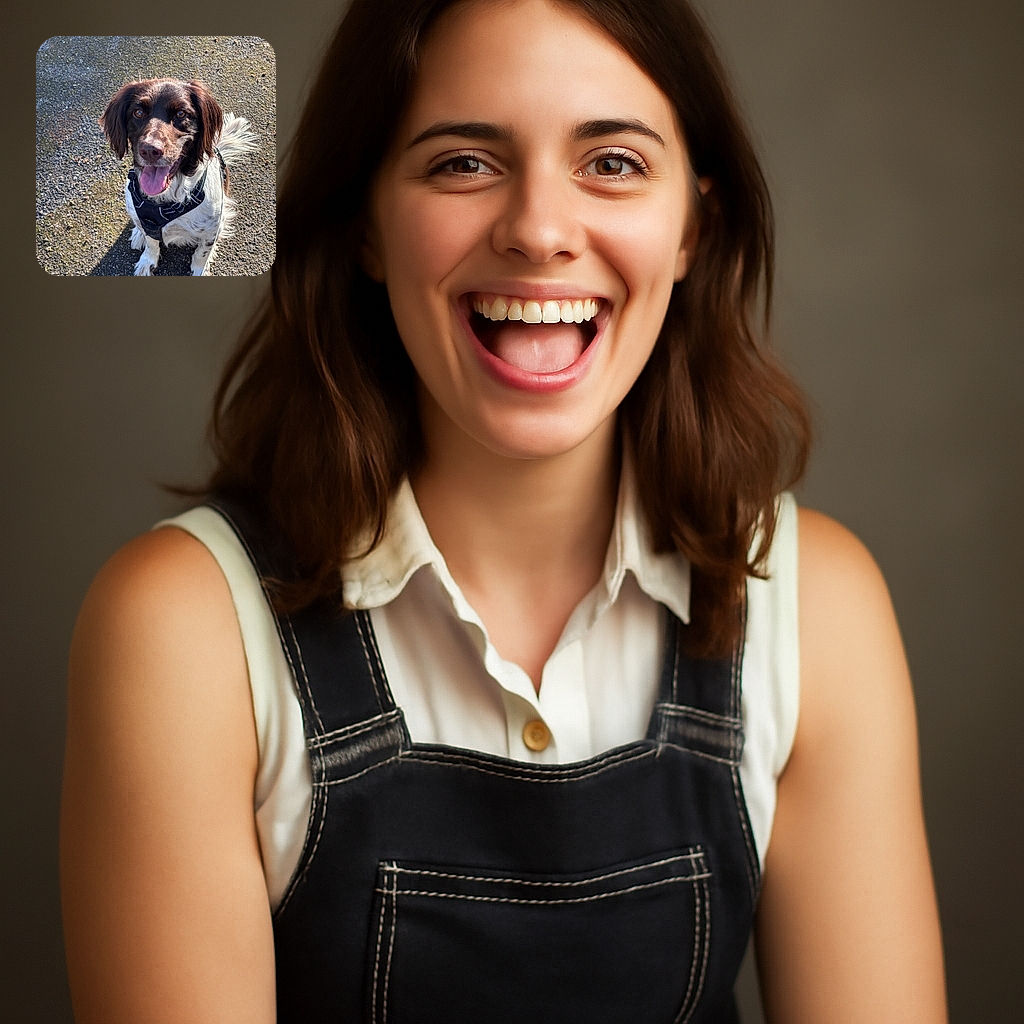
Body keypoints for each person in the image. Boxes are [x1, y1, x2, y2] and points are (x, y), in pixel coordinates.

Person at [60, 0, 948, 1020]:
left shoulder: (813, 605)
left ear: (693, 228)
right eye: (462, 163)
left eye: (612, 162)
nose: (537, 230)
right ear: (365, 226)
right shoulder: (183, 629)